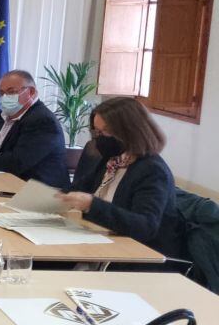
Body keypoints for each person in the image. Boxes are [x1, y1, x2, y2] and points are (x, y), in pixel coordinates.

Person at [58, 97, 185, 259]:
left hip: (141, 257)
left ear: (130, 131)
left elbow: (145, 226)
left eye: (105, 131)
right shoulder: (112, 161)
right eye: (96, 132)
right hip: (103, 245)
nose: (100, 138)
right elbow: (78, 188)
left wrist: (92, 204)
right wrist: (54, 197)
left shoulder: (152, 171)